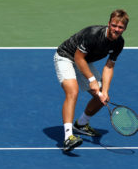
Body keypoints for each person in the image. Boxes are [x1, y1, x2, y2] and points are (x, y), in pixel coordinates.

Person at [54, 9, 129, 152]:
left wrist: (105, 91)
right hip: (66, 57)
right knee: (73, 92)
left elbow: (109, 66)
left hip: (84, 61)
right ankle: (68, 138)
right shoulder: (93, 34)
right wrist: (92, 79)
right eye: (114, 25)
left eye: (120, 27)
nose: (116, 30)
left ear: (124, 29)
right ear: (109, 24)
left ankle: (81, 124)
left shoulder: (119, 43)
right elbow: (78, 58)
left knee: (101, 97)